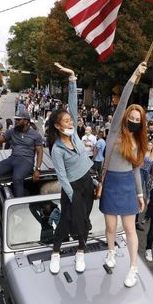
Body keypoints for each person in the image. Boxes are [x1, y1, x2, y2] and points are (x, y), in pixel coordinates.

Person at [100, 62, 148, 288]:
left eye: (139, 120)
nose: (135, 122)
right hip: (110, 184)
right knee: (110, 228)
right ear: (126, 116)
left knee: (129, 229)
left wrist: (140, 194)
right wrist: (135, 75)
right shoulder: (113, 133)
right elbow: (124, 100)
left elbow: (136, 169)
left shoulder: (138, 142)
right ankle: (110, 253)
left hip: (128, 186)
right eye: (133, 118)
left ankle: (133, 268)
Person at [46, 63, 95, 275]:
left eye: (69, 119)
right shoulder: (57, 149)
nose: (69, 121)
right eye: (65, 120)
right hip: (72, 187)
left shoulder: (75, 134)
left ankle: (81, 252)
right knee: (66, 220)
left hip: (87, 182)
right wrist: (72, 195)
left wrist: (72, 78)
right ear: (57, 126)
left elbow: (73, 104)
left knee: (84, 220)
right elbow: (62, 176)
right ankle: (55, 253)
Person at [0, 111, 43, 219]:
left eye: (18, 119)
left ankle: (19, 211)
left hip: (26, 161)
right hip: (13, 158)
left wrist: (37, 169)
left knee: (17, 178)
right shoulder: (12, 131)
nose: (16, 121)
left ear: (26, 121)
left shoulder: (35, 135)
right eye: (16, 119)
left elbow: (39, 151)